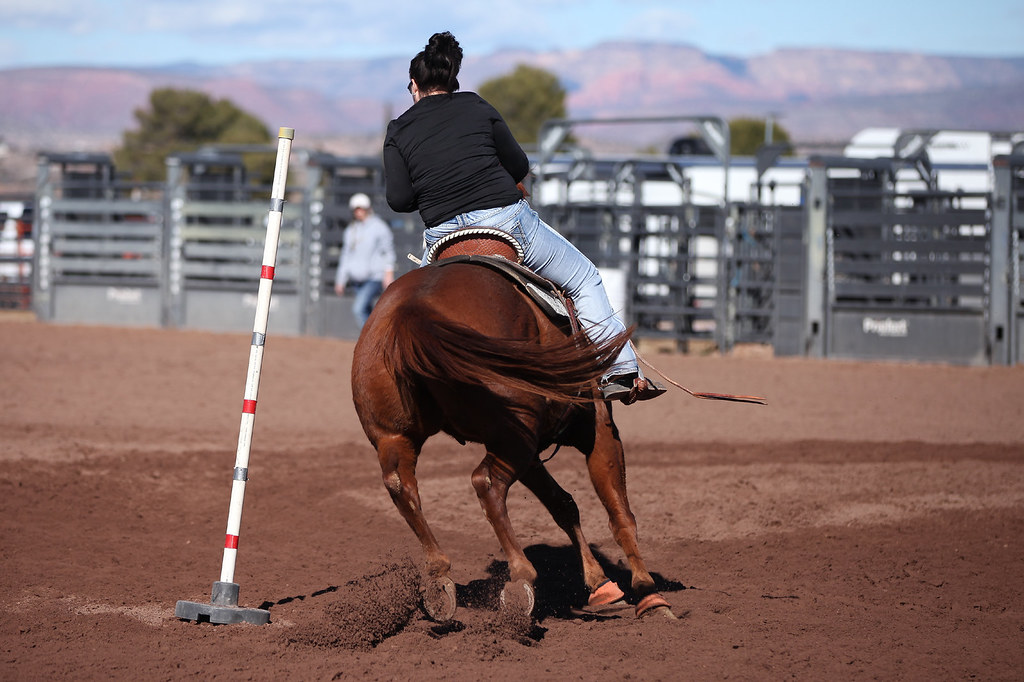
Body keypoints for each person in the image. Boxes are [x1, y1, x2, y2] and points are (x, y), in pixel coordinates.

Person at [383, 31, 664, 403]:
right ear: (454, 82)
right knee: (584, 279)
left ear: (414, 86)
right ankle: (622, 372)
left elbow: (399, 200)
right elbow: (519, 164)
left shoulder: (399, 129)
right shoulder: (476, 106)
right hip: (504, 222)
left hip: (442, 235)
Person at [334, 192, 396, 329]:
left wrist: (388, 273)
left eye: (361, 208)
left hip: (374, 277)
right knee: (367, 311)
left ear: (367, 208)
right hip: (356, 280)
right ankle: (377, 338)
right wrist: (340, 280)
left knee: (358, 309)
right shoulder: (351, 230)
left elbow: (388, 252)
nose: (358, 212)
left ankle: (369, 341)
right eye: (356, 209)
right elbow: (346, 255)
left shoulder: (380, 227)